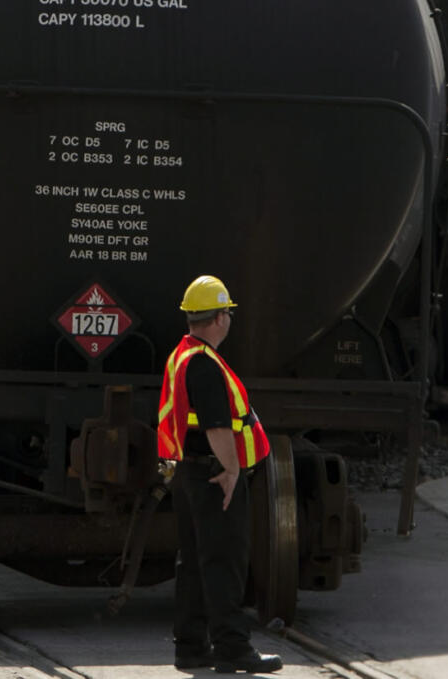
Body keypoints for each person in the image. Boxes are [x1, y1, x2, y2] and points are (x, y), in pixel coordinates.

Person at [158, 275, 283, 674]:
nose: (229, 318)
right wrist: (232, 471)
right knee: (224, 561)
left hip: (190, 473)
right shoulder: (205, 365)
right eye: (227, 312)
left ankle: (191, 646)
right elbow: (216, 426)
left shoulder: (182, 354)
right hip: (214, 476)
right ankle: (233, 648)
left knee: (193, 562)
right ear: (218, 319)